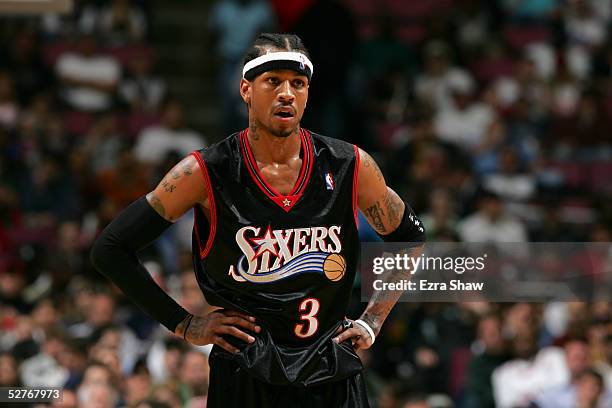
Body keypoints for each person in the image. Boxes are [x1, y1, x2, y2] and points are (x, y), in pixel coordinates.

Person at [91, 33, 426, 407]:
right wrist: (183, 323)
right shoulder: (205, 171)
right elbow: (110, 249)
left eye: (298, 84)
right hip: (246, 371)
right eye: (273, 82)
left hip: (330, 367)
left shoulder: (350, 165)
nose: (287, 93)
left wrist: (372, 320)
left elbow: (410, 237)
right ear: (246, 89)